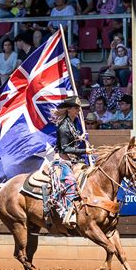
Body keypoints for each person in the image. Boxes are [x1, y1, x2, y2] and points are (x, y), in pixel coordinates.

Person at [52, 96, 93, 228]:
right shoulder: (64, 126)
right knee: (70, 181)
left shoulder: (72, 123)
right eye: (76, 108)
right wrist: (84, 151)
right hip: (63, 159)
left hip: (74, 160)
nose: (79, 110)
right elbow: (64, 148)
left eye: (79, 108)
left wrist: (79, 138)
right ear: (69, 109)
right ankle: (68, 213)